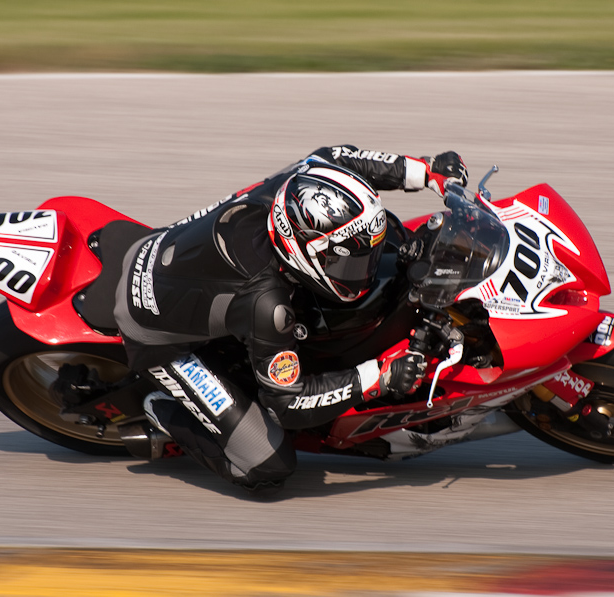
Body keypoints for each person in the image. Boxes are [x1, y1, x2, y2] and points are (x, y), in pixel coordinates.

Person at [111, 145, 469, 495]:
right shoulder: (267, 306)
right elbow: (288, 404)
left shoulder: (298, 187)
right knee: (267, 465)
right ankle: (164, 409)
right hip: (155, 335)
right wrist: (379, 377)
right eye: (348, 264)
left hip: (166, 256)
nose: (366, 272)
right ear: (302, 250)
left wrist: (424, 170)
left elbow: (338, 158)